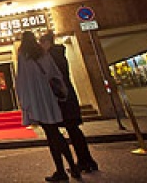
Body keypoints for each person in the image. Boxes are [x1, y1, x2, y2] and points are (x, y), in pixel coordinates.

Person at [16, 31, 80, 182]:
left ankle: (62, 170)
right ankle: (70, 167)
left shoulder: (23, 57)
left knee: (52, 135)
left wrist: (24, 103)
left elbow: (21, 81)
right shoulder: (43, 54)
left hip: (37, 101)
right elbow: (55, 74)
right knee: (54, 133)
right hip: (50, 99)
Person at [40, 32, 98, 173]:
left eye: (42, 43)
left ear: (47, 43)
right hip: (67, 97)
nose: (41, 46)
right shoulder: (58, 54)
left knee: (71, 130)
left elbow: (53, 78)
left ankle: (83, 162)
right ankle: (87, 161)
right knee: (74, 130)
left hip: (62, 99)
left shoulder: (53, 56)